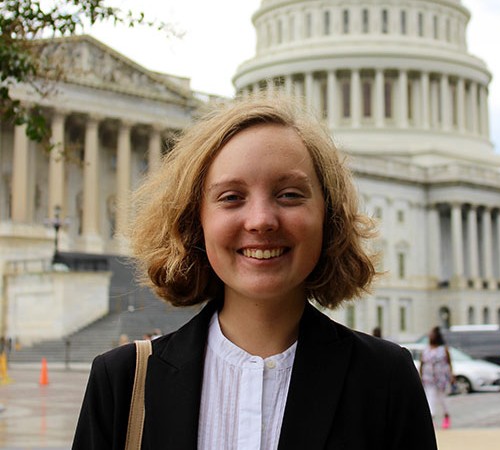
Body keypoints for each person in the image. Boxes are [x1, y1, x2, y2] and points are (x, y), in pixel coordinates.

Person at [72, 95, 437, 449]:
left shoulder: (385, 380)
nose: (261, 220)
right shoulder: (122, 382)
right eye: (231, 197)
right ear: (195, 220)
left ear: (328, 216)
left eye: (290, 195)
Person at [420, 326, 455, 429]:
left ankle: (446, 415)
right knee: (430, 398)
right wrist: (420, 375)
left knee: (442, 399)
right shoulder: (426, 350)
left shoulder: (443, 350)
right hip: (429, 378)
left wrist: (451, 375)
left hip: (441, 378)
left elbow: (449, 363)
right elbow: (422, 364)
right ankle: (431, 419)